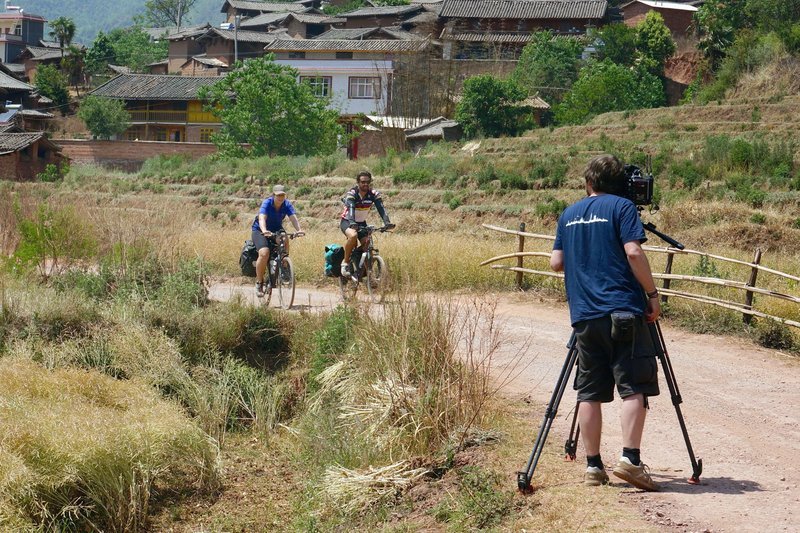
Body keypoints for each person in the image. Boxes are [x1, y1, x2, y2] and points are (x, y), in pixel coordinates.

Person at [550, 154, 662, 492]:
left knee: (589, 392)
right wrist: (652, 294)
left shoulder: (568, 214)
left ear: (588, 182)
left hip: (585, 315)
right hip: (624, 311)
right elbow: (633, 252)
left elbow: (556, 262)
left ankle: (593, 466)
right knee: (634, 386)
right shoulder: (622, 208)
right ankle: (629, 460)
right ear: (622, 185)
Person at [252, 185, 304, 296]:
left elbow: (293, 218)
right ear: (273, 195)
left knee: (285, 238)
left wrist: (299, 230)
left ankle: (284, 267)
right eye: (278, 195)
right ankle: (259, 282)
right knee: (264, 253)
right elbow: (262, 218)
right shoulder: (267, 203)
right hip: (260, 230)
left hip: (276, 229)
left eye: (282, 195)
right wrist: (264, 230)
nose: (281, 197)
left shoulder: (286, 204)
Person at [340, 171, 394, 277]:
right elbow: (351, 208)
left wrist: (387, 222)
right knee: (353, 236)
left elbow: (381, 209)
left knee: (367, 243)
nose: (365, 184)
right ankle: (345, 263)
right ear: (358, 182)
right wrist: (352, 222)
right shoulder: (352, 194)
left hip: (361, 223)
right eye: (363, 182)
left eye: (367, 182)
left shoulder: (373, 194)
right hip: (347, 221)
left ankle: (366, 274)